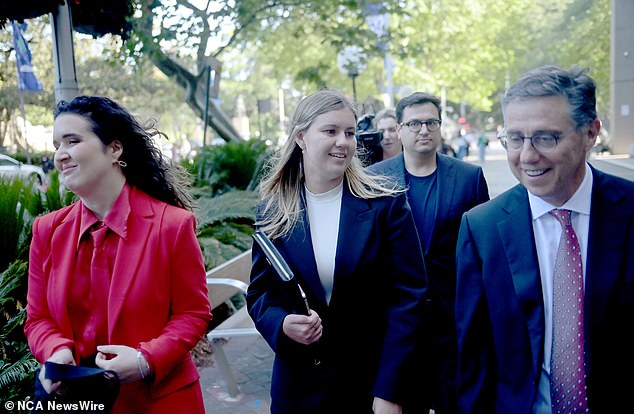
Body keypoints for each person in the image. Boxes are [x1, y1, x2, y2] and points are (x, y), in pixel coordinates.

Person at [455, 65, 634, 413]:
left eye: (546, 138)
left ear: (590, 133)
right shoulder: (482, 228)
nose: (527, 156)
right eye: (516, 138)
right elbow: (473, 358)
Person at [25, 96, 212, 413]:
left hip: (161, 401)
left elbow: (192, 313)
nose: (60, 155)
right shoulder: (47, 230)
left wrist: (145, 360)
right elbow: (38, 318)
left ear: (114, 149)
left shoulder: (172, 226)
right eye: (57, 145)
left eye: (73, 140)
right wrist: (55, 351)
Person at [247, 90, 429, 414]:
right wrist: (282, 323)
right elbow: (260, 293)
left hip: (372, 388)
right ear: (301, 137)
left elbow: (410, 298)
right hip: (300, 390)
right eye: (330, 131)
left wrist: (391, 389)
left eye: (349, 132)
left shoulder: (386, 205)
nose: (343, 142)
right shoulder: (273, 212)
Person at [368, 91, 490, 414]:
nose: (424, 129)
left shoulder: (469, 178)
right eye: (415, 123)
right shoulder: (375, 180)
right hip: (398, 324)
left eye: (431, 122)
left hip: (452, 320)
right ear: (399, 128)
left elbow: (484, 251)